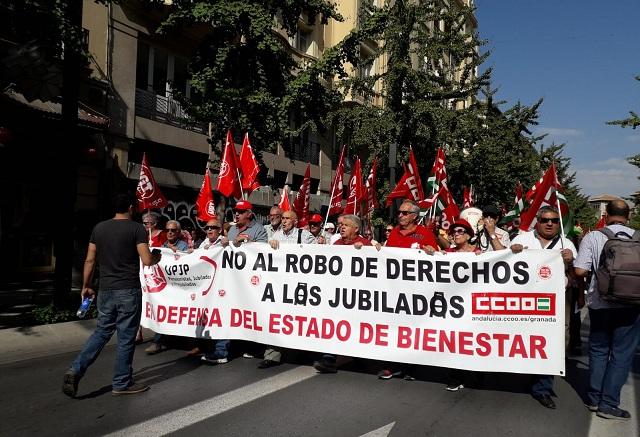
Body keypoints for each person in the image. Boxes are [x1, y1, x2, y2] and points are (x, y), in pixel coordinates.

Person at [62, 193, 161, 398]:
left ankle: (75, 369)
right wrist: (156, 256)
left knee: (101, 332)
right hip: (128, 290)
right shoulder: (137, 229)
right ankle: (121, 383)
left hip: (105, 290)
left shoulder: (99, 228)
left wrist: (86, 285)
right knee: (125, 338)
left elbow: (90, 260)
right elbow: (147, 259)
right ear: (132, 208)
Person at [574, 200, 640, 420]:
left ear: (606, 214)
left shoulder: (593, 236)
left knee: (599, 349)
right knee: (621, 354)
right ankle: (609, 403)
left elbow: (580, 270)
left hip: (600, 301)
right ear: (628, 216)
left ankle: (594, 398)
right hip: (632, 303)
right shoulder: (638, 237)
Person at [511, 206, 576, 409]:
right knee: (523, 339)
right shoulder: (522, 240)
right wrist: (512, 253)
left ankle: (543, 388)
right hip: (524, 300)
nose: (550, 223)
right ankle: (522, 372)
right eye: (546, 220)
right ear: (537, 222)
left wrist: (570, 260)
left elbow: (579, 273)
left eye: (555, 220)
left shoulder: (568, 244)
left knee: (552, 342)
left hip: (555, 301)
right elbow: (501, 265)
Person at [377, 200, 440, 380]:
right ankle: (391, 365)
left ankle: (410, 367)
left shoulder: (424, 233)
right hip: (394, 289)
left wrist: (431, 251)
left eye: (404, 213)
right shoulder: (394, 233)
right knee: (393, 327)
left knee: (411, 328)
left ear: (414, 216)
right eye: (399, 213)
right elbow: (387, 257)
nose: (400, 216)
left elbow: (435, 258)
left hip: (415, 290)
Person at [313, 214, 372, 374]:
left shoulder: (366, 244)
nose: (342, 227)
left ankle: (360, 358)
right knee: (333, 323)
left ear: (356, 228)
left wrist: (367, 251)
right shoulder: (337, 243)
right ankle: (328, 359)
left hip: (358, 296)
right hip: (337, 295)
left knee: (356, 327)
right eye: (341, 225)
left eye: (346, 225)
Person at [258, 211, 315, 369]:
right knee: (275, 318)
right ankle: (271, 355)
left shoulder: (305, 235)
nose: (283, 221)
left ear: (295, 221)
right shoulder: (275, 235)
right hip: (279, 285)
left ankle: (303, 351)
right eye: (282, 218)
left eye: (287, 218)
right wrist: (269, 245)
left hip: (299, 285)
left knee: (299, 320)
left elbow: (318, 254)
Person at [443, 219, 481, 391]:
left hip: (472, 303)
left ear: (468, 235)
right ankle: (454, 376)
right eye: (454, 232)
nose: (456, 234)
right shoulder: (448, 253)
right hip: (453, 304)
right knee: (454, 340)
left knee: (472, 339)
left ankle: (474, 373)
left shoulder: (478, 253)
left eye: (460, 231)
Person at [145, 219, 190, 355]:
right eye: (168, 230)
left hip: (179, 286)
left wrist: (175, 252)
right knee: (161, 311)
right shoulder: (162, 245)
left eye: (173, 230)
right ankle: (158, 341)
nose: (170, 233)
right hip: (165, 286)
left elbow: (187, 262)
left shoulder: (182, 245)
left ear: (178, 232)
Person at [197, 217, 232, 365]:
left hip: (223, 288)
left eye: (213, 227)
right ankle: (209, 347)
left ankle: (221, 352)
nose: (209, 230)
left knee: (223, 318)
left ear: (220, 230)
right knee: (211, 318)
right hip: (207, 288)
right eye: (207, 228)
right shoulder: (203, 244)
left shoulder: (226, 243)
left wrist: (229, 244)